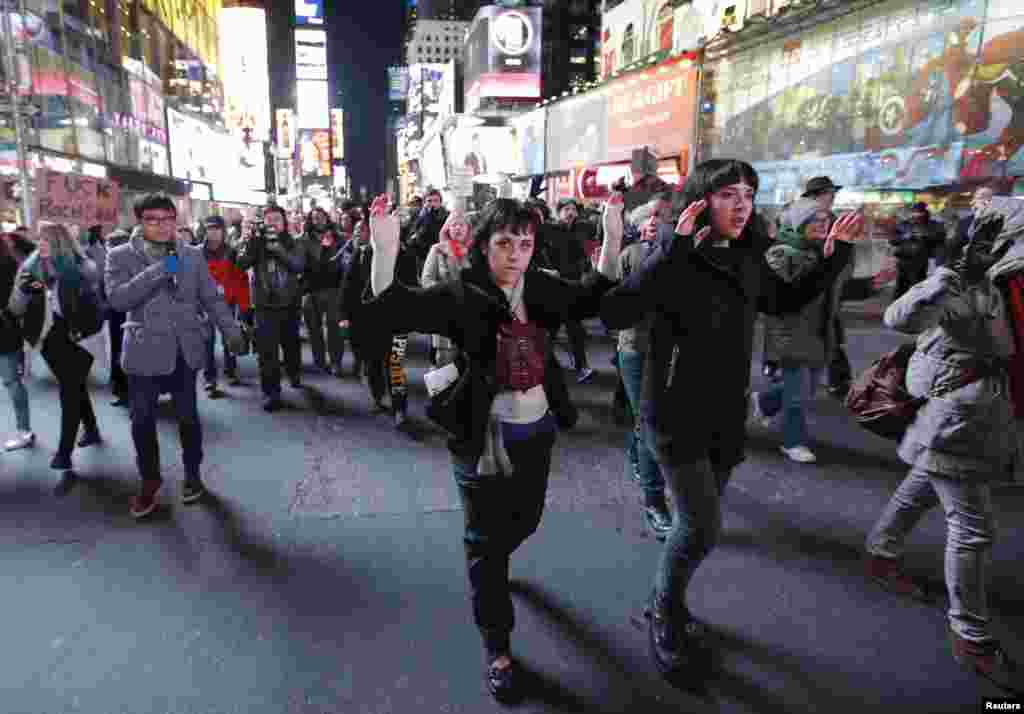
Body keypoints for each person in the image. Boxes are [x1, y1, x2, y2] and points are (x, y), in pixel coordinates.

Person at [600, 159, 862, 686]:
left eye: (748, 192)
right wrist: (670, 251)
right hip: (672, 411)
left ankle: (662, 598)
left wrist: (833, 259)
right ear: (701, 201)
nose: (741, 203)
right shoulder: (674, 254)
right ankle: (665, 613)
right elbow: (616, 310)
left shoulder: (748, 256)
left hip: (725, 412)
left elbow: (783, 300)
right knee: (701, 525)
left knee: (696, 524)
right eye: (727, 193)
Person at [361, 193, 621, 701]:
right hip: (480, 434)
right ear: (484, 248)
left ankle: (495, 564)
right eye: (505, 243)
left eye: (524, 244)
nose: (515, 254)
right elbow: (394, 305)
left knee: (526, 520)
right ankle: (498, 646)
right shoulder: (462, 294)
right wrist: (384, 246)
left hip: (536, 429)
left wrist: (612, 237)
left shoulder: (542, 287)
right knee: (483, 542)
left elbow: (596, 295)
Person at [865, 205, 1018, 691]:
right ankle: (971, 635)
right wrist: (954, 275)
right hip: (959, 419)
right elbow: (899, 316)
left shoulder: (1004, 282)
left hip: (981, 413)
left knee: (920, 488)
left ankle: (880, 553)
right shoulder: (975, 282)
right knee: (974, 530)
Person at [106, 193, 244, 518]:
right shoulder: (119, 255)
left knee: (188, 418)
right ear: (140, 222)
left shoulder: (192, 255)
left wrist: (232, 330)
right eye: (153, 220)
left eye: (168, 219)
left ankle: (193, 475)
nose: (162, 226)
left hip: (185, 349)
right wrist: (159, 270)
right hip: (143, 351)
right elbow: (118, 300)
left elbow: (210, 297)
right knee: (141, 421)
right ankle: (150, 482)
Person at [752, 198, 854, 463]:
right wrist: (831, 258)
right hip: (790, 333)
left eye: (825, 219)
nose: (823, 224)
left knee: (804, 389)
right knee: (797, 396)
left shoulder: (821, 250)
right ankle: (792, 441)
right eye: (816, 220)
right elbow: (796, 294)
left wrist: (870, 285)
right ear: (799, 223)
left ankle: (764, 402)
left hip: (819, 332)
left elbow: (834, 289)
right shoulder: (782, 253)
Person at [10, 223, 104, 472]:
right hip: (49, 338)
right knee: (74, 386)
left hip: (80, 337)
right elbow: (17, 306)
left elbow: (91, 299)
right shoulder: (31, 269)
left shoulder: (83, 268)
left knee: (69, 390)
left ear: (59, 243)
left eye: (46, 240)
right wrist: (27, 289)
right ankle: (92, 429)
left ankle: (64, 451)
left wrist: (53, 289)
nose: (40, 244)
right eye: (39, 239)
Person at [617, 201, 671, 539]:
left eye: (658, 219)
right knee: (647, 422)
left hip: (670, 350)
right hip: (636, 347)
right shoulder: (631, 256)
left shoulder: (680, 253)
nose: (652, 223)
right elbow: (619, 297)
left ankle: (636, 455)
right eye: (646, 219)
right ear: (637, 226)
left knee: (650, 420)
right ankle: (654, 499)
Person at [340, 216, 419, 426]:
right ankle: (377, 396)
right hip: (368, 321)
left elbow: (413, 286)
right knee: (372, 363)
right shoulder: (362, 254)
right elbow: (348, 287)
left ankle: (400, 407)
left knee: (395, 365)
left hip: (397, 320)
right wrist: (344, 315)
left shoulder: (404, 254)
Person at [235, 204, 306, 412]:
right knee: (267, 353)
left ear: (284, 223)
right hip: (264, 306)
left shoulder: (294, 243)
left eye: (277, 219)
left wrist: (279, 250)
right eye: (269, 219)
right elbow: (240, 264)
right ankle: (271, 393)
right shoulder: (256, 242)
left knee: (291, 345)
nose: (273, 223)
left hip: (289, 304)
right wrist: (253, 245)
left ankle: (294, 372)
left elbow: (298, 266)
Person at [548, 198, 597, 383]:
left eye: (573, 209)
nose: (570, 213)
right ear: (558, 212)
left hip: (573, 286)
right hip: (553, 286)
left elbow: (585, 255)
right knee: (550, 331)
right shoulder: (550, 230)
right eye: (566, 209)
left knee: (575, 329)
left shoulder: (581, 230)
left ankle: (581, 367)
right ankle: (539, 367)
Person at [201, 215, 250, 394]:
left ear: (223, 232)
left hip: (227, 305)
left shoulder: (232, 253)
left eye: (216, 229)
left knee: (230, 340)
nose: (212, 233)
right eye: (209, 229)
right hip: (204, 305)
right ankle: (209, 378)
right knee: (207, 343)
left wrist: (244, 309)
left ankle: (230, 372)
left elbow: (241, 281)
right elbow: (178, 273)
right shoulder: (197, 252)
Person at [420, 211, 473, 367]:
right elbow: (427, 279)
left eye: (461, 225)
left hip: (471, 313)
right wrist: (443, 293)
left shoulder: (475, 251)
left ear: (468, 229)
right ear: (447, 229)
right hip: (445, 313)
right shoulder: (437, 249)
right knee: (444, 361)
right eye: (453, 225)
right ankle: (442, 391)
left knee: (469, 363)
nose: (457, 228)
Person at [0, 233, 33, 452]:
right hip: (8, 330)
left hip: (5, 330)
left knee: (12, 382)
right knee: (13, 382)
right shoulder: (13, 263)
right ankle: (24, 431)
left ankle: (24, 431)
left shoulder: (10, 265)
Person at [303, 222, 348, 376]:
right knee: (314, 329)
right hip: (310, 290)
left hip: (333, 290)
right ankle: (319, 361)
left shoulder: (339, 242)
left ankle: (336, 362)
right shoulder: (305, 242)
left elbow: (337, 266)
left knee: (334, 328)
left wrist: (329, 247)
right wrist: (322, 248)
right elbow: (307, 265)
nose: (322, 236)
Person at [890, 202, 947, 300]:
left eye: (919, 213)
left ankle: (916, 306)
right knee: (900, 287)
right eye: (914, 212)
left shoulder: (932, 224)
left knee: (917, 287)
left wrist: (924, 236)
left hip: (921, 260)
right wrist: (905, 237)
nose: (916, 215)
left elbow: (940, 237)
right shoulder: (904, 224)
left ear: (924, 212)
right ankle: (898, 307)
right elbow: (892, 240)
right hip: (903, 259)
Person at [105, 228, 132, 406]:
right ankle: (122, 391)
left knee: (124, 353)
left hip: (130, 315)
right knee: (119, 353)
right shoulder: (111, 263)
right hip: (118, 315)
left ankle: (126, 392)